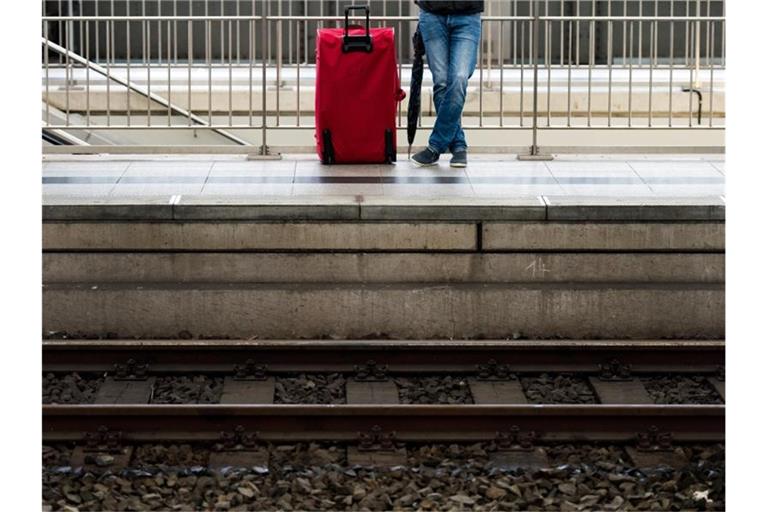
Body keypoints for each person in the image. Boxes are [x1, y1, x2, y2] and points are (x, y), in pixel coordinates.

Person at [411, 0, 484, 168]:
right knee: (442, 83)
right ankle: (458, 146)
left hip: (467, 15)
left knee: (459, 77)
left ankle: (435, 146)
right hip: (432, 15)